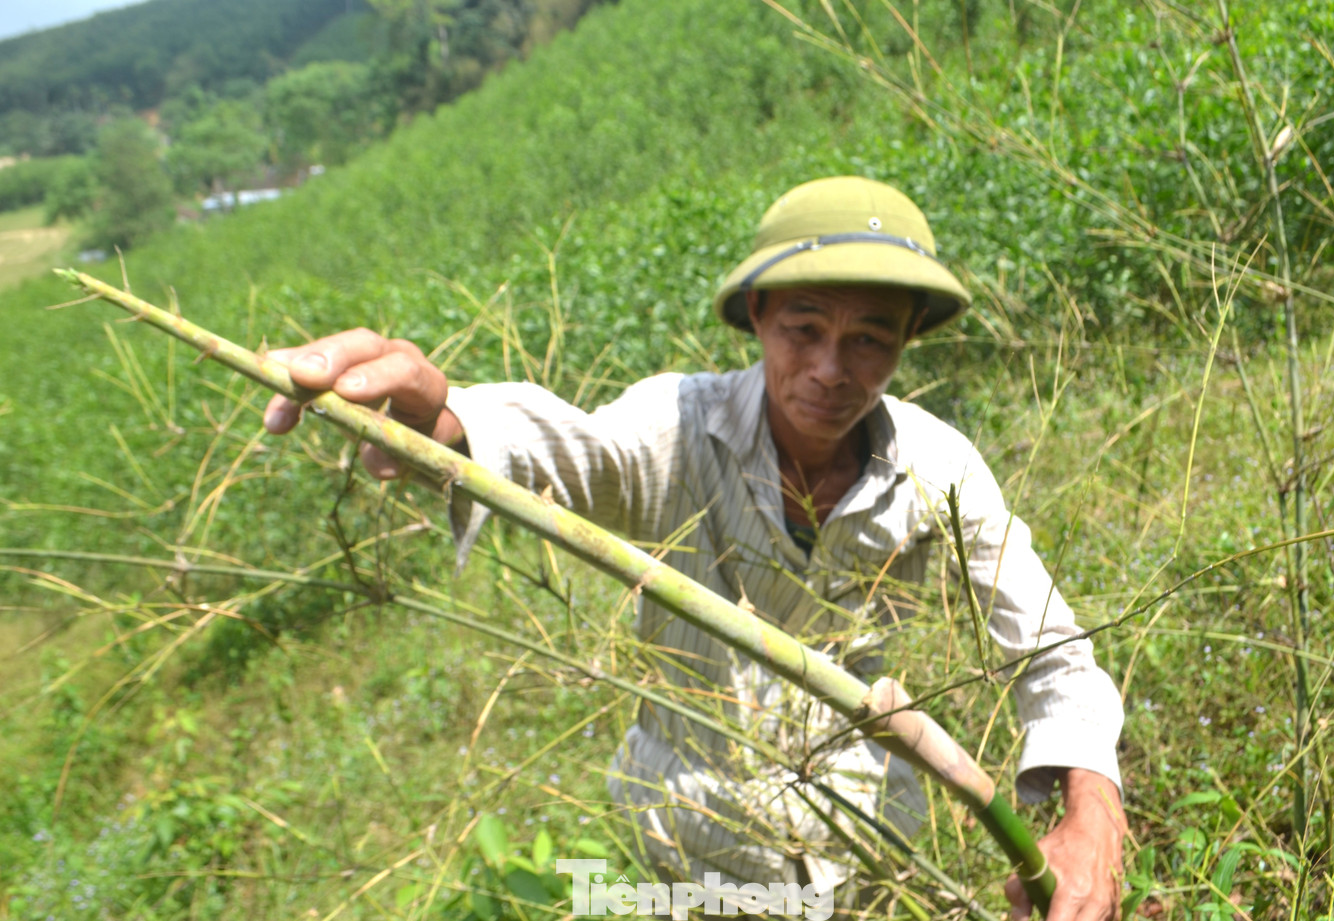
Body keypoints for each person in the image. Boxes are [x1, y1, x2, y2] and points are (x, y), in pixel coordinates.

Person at [263, 176, 1126, 920]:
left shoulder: (938, 468)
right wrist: (445, 427)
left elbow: (1051, 649)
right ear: (756, 316)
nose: (832, 367)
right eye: (804, 326)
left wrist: (1093, 812)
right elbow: (569, 452)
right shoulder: (678, 428)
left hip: (867, 860)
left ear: (905, 343)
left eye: (869, 336)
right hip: (691, 860)